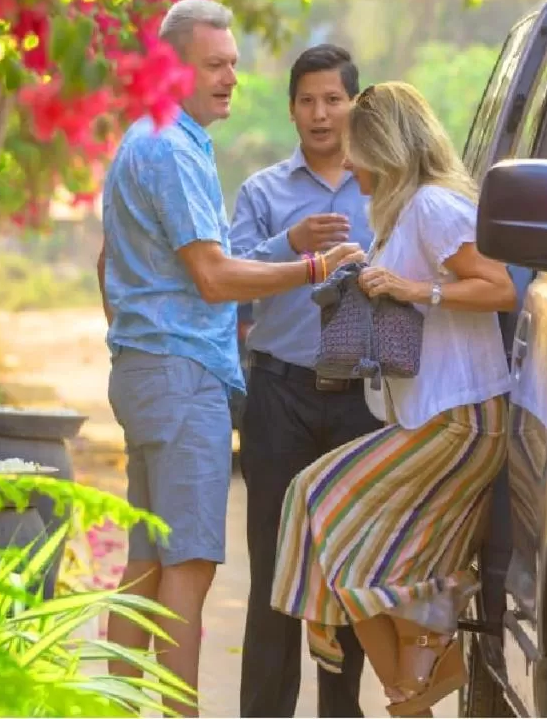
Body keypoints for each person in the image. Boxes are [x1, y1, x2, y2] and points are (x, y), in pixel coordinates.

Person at [96, 0, 365, 717]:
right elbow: (215, 278)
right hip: (182, 379)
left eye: (233, 67)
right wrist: (312, 271)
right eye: (215, 65)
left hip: (152, 371)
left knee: (149, 564)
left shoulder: (146, 140)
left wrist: (139, 337)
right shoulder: (171, 149)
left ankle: (118, 707)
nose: (229, 80)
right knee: (188, 563)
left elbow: (113, 265)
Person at [269, 81, 517, 718]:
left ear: (384, 147)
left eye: (354, 150)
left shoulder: (435, 206)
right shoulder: (404, 214)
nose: (346, 164)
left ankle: (412, 673)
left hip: (461, 421)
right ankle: (413, 691)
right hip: (428, 419)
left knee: (316, 500)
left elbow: (500, 288)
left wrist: (414, 290)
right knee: (373, 565)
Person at [229, 44, 379, 718]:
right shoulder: (262, 192)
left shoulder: (384, 185)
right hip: (280, 395)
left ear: (356, 103)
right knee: (274, 571)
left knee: (346, 571)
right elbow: (227, 278)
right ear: (291, 109)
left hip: (365, 402)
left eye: (333, 99)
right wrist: (289, 244)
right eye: (307, 101)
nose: (320, 114)